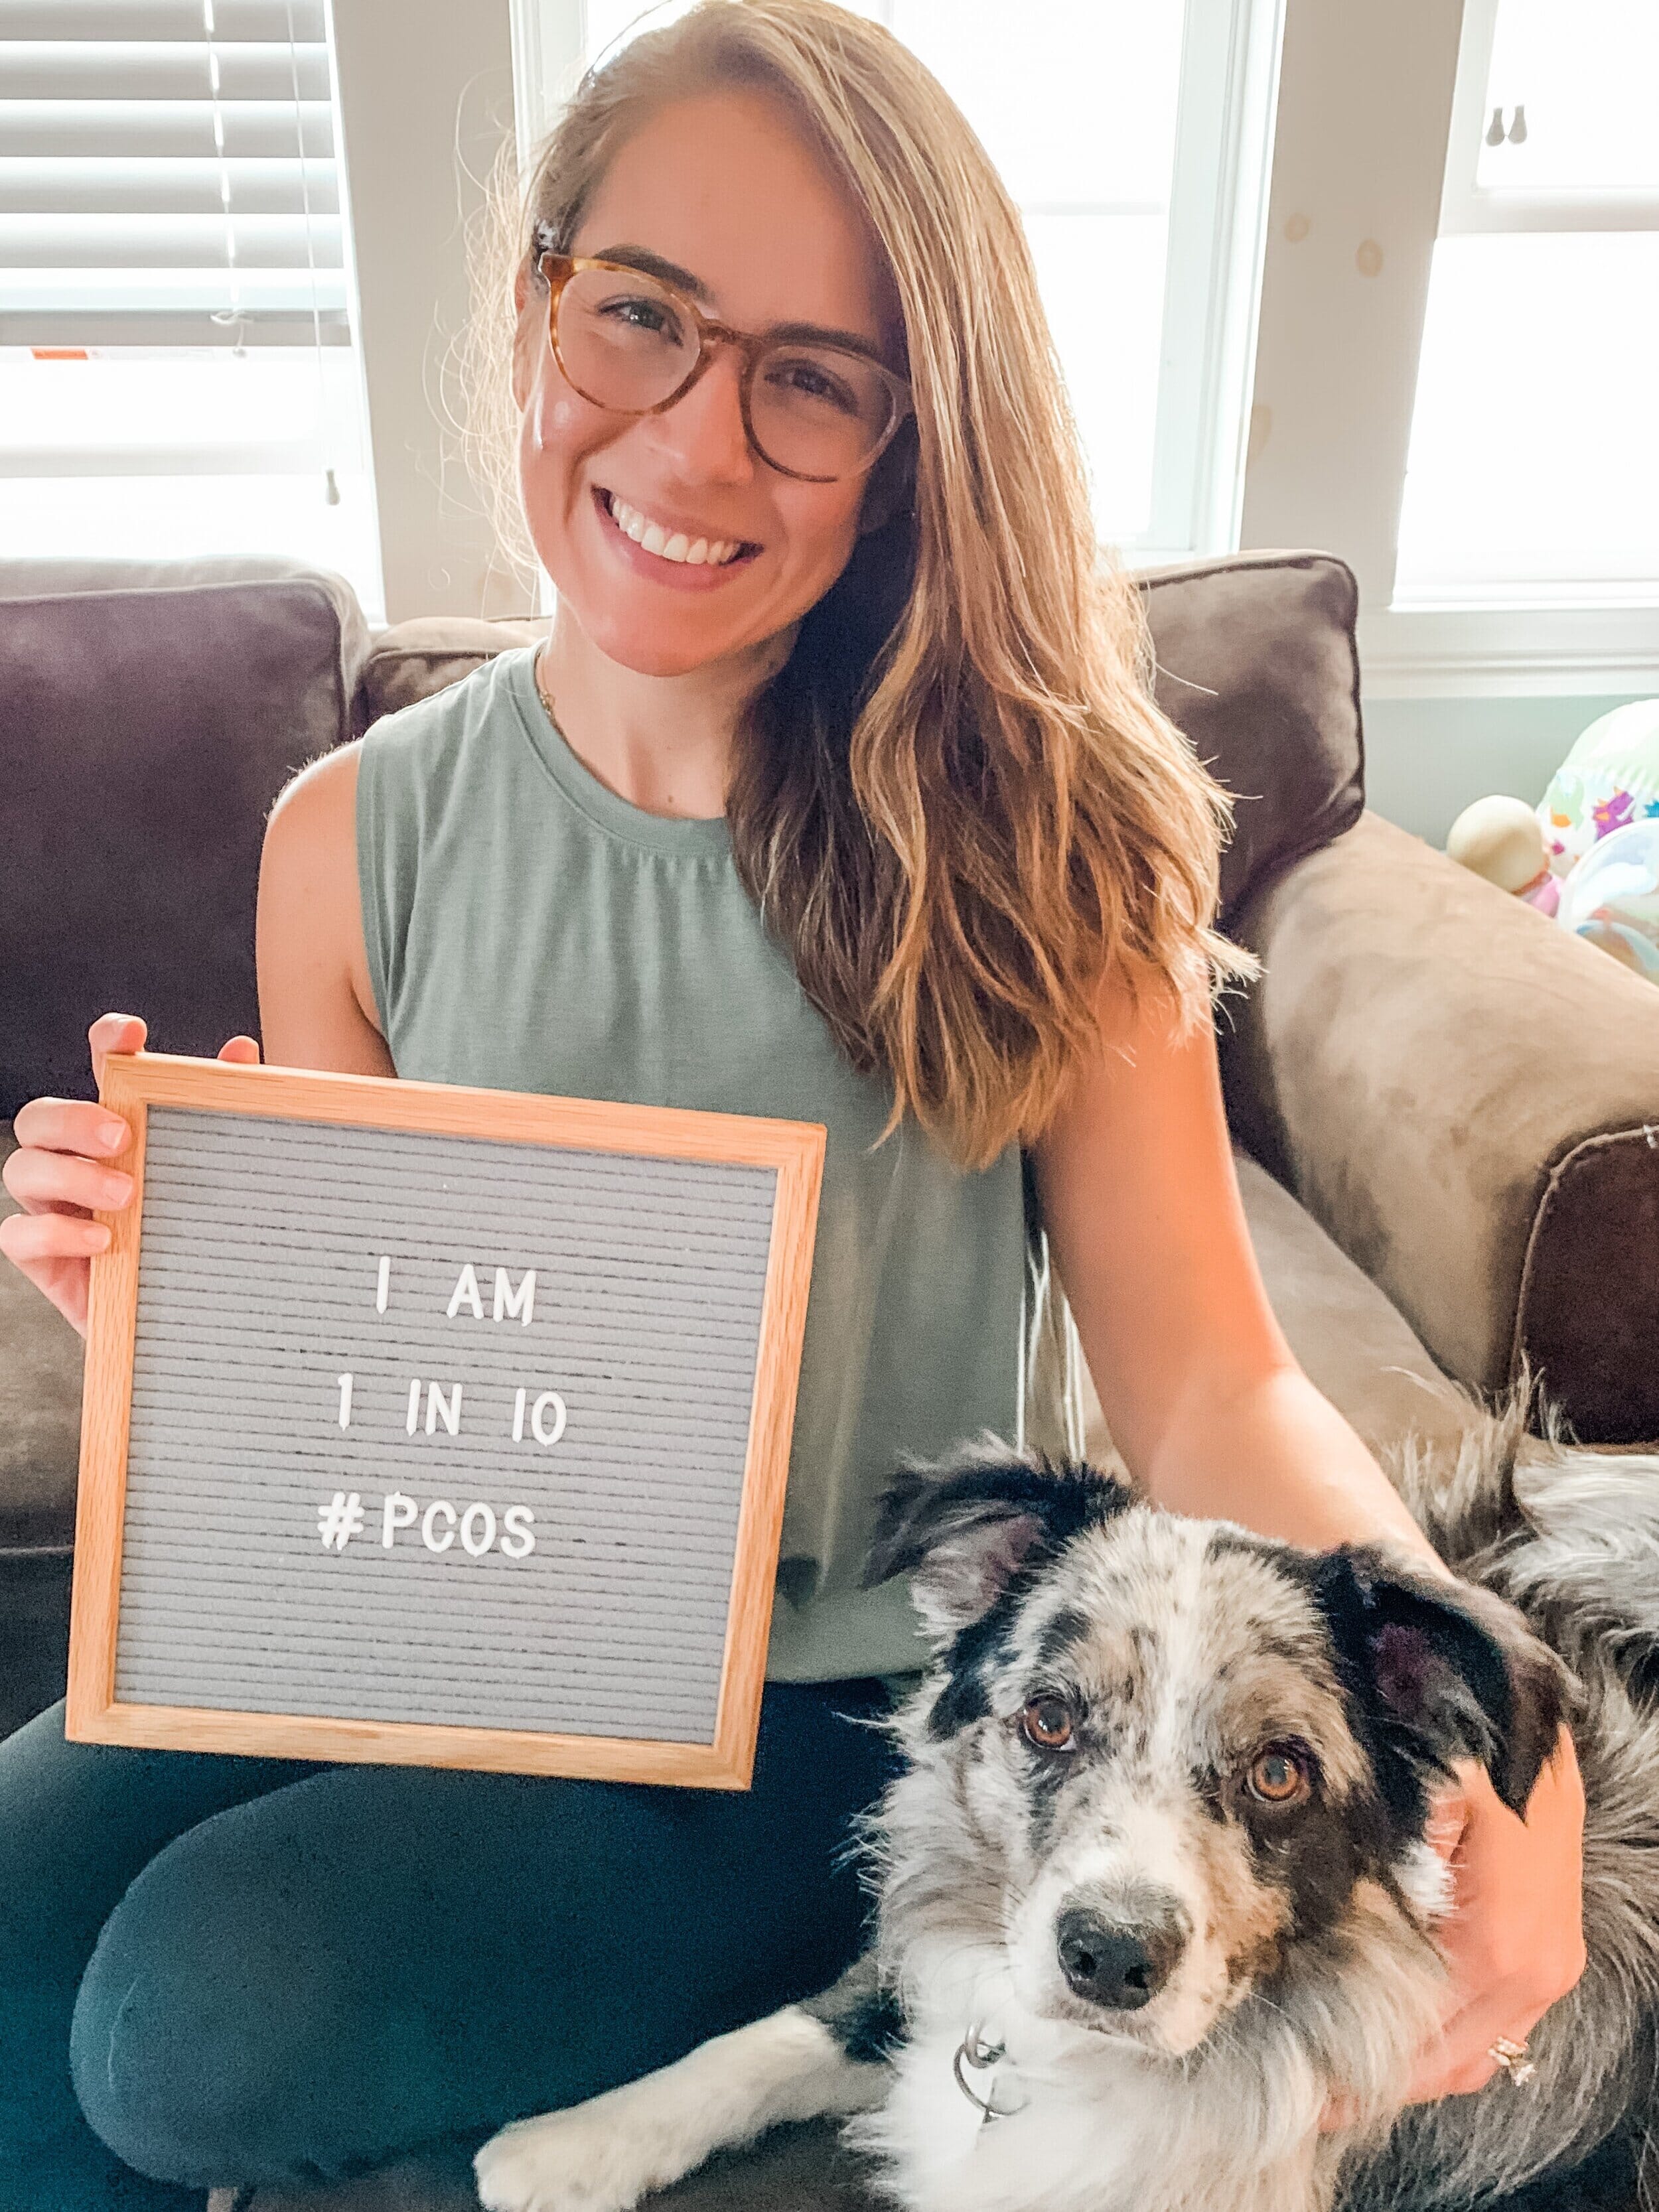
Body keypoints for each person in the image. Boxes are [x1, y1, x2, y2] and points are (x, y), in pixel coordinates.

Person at [0, 3, 1585, 2205]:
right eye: (639, 314)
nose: (697, 439)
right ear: (542, 298)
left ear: (911, 435)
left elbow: (1214, 1381)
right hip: (484, 1651)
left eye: (811, 376)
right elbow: (375, 1431)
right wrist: (176, 1323)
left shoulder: (1045, 842)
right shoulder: (338, 842)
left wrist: (1510, 1750)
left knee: (194, 2021)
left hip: (828, 1715)